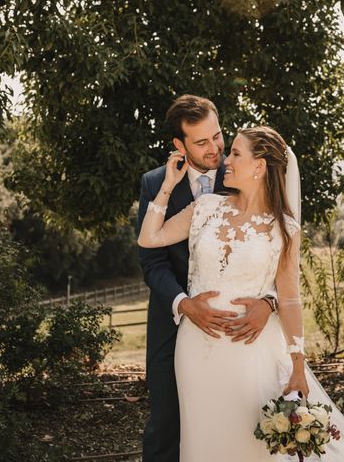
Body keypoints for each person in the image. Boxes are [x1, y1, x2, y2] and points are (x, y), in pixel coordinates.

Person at [138, 125, 344, 461]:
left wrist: (298, 365)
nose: (226, 159)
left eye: (236, 154)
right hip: (195, 349)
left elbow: (289, 298)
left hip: (249, 349)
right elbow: (149, 239)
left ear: (259, 166)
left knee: (248, 442)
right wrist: (167, 185)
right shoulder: (206, 206)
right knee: (201, 438)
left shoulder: (284, 227)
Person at [136, 95, 277, 462]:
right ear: (179, 146)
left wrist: (269, 302)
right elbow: (151, 260)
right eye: (201, 142)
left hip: (240, 329)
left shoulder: (241, 173)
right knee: (166, 423)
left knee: (242, 423)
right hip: (174, 322)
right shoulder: (154, 182)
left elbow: (273, 247)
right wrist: (184, 304)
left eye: (217, 136)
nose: (216, 149)